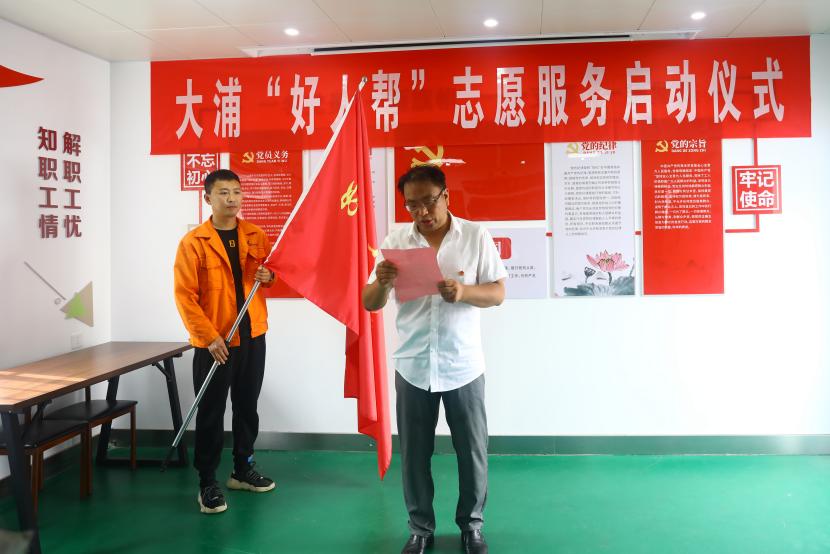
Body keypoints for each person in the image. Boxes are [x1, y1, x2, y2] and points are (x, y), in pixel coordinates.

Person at [362, 165, 507, 554]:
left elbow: (497, 293)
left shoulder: (474, 236)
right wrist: (382, 281)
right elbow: (369, 302)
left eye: (429, 201)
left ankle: (472, 526)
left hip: (463, 364)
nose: (422, 211)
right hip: (413, 365)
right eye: (412, 205)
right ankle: (420, 529)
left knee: (472, 452)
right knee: (414, 454)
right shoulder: (396, 241)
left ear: (446, 196)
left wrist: (464, 292)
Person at [174, 169, 276, 514]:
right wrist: (208, 337)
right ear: (208, 198)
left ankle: (242, 469)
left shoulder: (255, 236)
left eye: (236, 191)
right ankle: (207, 481)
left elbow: (272, 274)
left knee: (247, 406)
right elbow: (185, 296)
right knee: (211, 412)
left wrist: (270, 275)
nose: (232, 198)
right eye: (223, 192)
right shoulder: (194, 243)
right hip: (215, 343)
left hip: (252, 335)